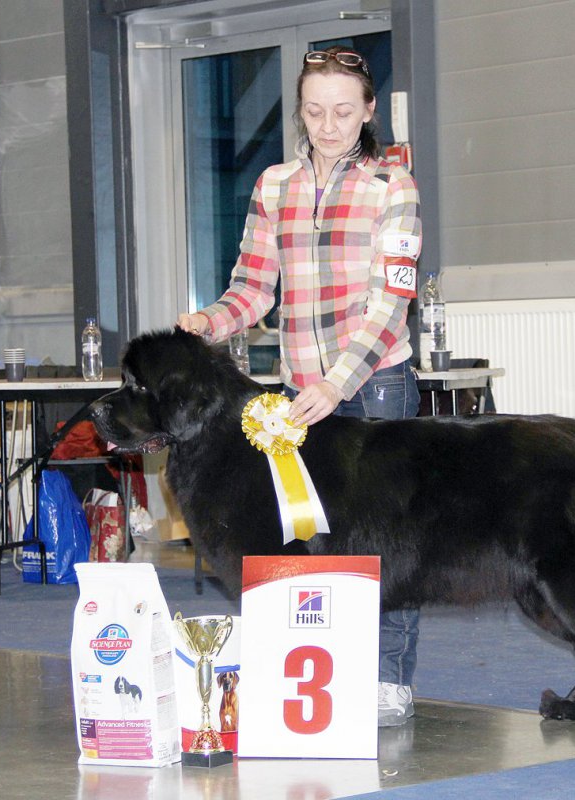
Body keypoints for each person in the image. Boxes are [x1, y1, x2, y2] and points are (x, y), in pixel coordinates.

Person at [178, 45, 422, 727]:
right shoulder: (273, 185)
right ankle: (312, 662)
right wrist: (207, 321)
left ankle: (388, 679)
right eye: (315, 111)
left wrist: (338, 382)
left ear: (368, 110)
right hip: (292, 399)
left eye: (344, 110)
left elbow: (389, 302)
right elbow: (252, 288)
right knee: (304, 541)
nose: (329, 123)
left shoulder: (391, 186)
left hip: (376, 388)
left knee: (386, 541)